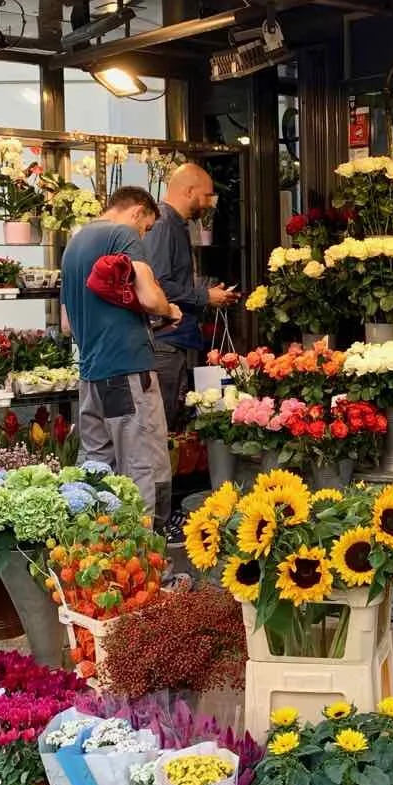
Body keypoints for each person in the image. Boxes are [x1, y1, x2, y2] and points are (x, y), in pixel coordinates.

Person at [60, 186, 179, 528]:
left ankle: (100, 554)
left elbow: (67, 324)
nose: (145, 235)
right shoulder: (123, 233)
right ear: (138, 212)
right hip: (128, 370)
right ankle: (148, 563)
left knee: (98, 468)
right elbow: (151, 298)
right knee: (144, 465)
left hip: (92, 375)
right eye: (148, 227)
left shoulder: (74, 244)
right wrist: (169, 310)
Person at [143, 162, 239, 427]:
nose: (210, 203)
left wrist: (205, 292)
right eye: (207, 195)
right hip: (165, 339)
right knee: (162, 424)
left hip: (173, 340)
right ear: (188, 191)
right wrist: (205, 297)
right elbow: (159, 284)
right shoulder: (164, 224)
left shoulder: (175, 224)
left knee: (171, 418)